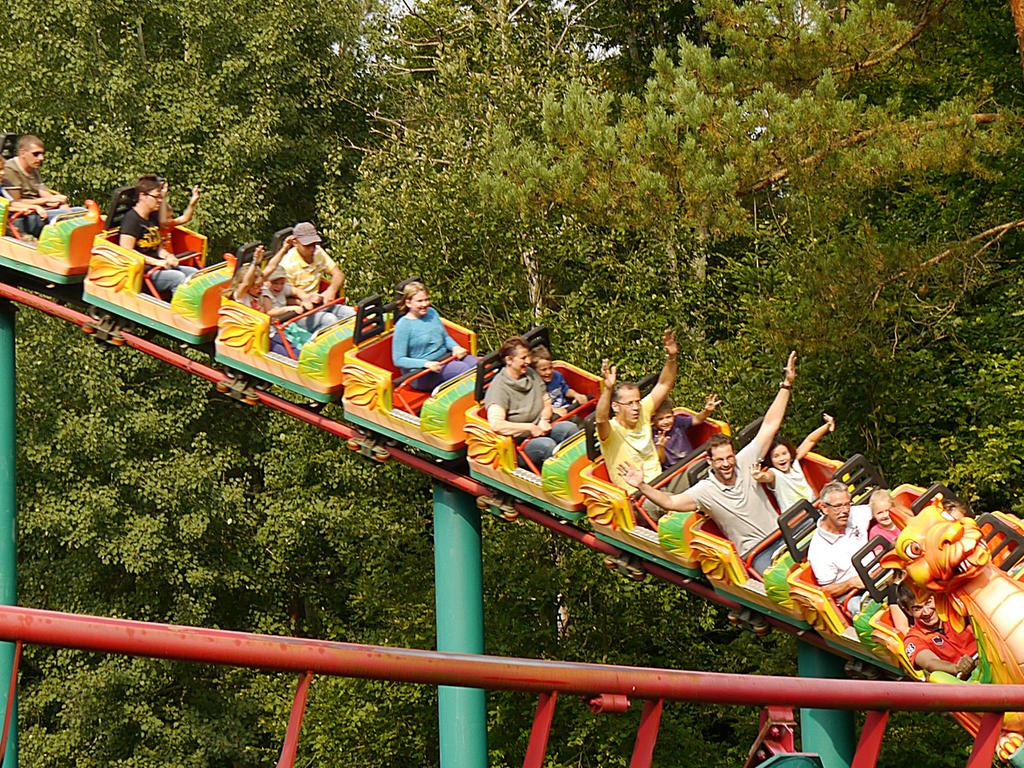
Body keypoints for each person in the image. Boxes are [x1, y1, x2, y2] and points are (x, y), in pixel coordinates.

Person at [618, 352, 798, 573]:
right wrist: (642, 485)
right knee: (782, 580)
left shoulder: (745, 461)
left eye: (729, 457)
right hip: (757, 553)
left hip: (782, 535)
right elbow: (670, 502)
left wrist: (786, 385)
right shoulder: (705, 491)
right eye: (720, 460)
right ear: (710, 462)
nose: (726, 464)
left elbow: (770, 424)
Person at [595, 330, 679, 492]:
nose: (635, 408)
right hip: (639, 495)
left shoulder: (643, 411)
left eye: (637, 402)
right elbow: (600, 419)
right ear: (616, 406)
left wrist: (671, 357)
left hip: (662, 480)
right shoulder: (610, 431)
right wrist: (608, 389)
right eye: (629, 404)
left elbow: (664, 384)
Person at [484, 336, 581, 470]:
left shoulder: (530, 373)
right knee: (547, 445)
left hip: (542, 426)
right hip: (520, 442)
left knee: (570, 429)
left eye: (528, 356)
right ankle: (561, 476)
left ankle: (579, 467)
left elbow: (546, 400)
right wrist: (529, 428)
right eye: (523, 358)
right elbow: (497, 424)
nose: (528, 361)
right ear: (509, 360)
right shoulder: (499, 388)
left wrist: (544, 419)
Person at [391, 281, 478, 391]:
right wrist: (426, 363)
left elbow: (444, 337)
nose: (424, 304)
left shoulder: (432, 313)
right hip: (423, 373)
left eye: (426, 300)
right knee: (462, 369)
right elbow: (398, 360)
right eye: (420, 301)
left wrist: (455, 347)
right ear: (408, 303)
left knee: (477, 364)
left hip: (445, 358)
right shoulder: (403, 326)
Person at [118, 175, 197, 295]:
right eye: (157, 197)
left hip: (158, 267)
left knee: (193, 273)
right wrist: (156, 262)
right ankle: (177, 307)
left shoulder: (152, 217)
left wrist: (168, 256)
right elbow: (126, 250)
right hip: (142, 272)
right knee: (178, 277)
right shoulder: (131, 219)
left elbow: (157, 247)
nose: (160, 200)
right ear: (143, 196)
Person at [752, 414, 836, 512]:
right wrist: (759, 476)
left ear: (790, 454)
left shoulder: (795, 463)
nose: (781, 459)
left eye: (784, 454)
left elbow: (810, 440)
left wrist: (827, 426)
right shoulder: (775, 473)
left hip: (814, 507)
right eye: (776, 456)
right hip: (797, 516)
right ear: (770, 460)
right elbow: (767, 476)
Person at [280, 222, 354, 330]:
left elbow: (338, 274)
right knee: (330, 320)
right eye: (307, 245)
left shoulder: (318, 252)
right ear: (295, 242)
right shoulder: (287, 264)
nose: (312, 249)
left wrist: (331, 291)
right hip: (298, 312)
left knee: (352, 313)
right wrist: (305, 301)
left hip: (320, 303)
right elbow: (283, 299)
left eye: (314, 244)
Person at [806, 481, 872, 599]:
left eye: (847, 504)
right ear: (824, 508)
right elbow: (826, 590)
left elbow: (882, 507)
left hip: (880, 572)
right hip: (855, 593)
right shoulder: (819, 550)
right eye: (838, 506)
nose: (845, 510)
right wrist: (850, 583)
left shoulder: (854, 514)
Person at [896, 584, 977, 678]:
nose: (927, 612)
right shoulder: (913, 639)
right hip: (966, 680)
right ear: (907, 611)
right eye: (917, 609)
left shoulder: (957, 609)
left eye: (928, 602)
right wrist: (956, 668)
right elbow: (930, 662)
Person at [2, 135, 68, 238]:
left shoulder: (32, 167)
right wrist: (43, 202)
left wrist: (58, 200)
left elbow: (42, 191)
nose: (41, 158)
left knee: (78, 212)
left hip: (39, 211)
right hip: (23, 217)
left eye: (42, 154)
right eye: (36, 154)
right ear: (23, 153)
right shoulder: (10, 169)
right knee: (64, 219)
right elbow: (16, 202)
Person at [652, 394, 721, 469]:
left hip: (691, 460)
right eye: (660, 419)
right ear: (653, 421)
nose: (666, 422)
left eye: (668, 417)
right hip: (673, 468)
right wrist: (661, 446)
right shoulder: (653, 434)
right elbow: (661, 461)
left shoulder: (677, 422)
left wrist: (707, 411)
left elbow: (697, 419)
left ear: (673, 415)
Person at [531, 345, 588, 418]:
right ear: (534, 371)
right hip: (552, 415)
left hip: (566, 408)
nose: (549, 372)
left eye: (550, 368)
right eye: (544, 370)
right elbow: (536, 406)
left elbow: (565, 390)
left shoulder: (556, 376)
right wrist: (554, 410)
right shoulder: (534, 385)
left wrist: (576, 395)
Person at [0, 162, 48, 236]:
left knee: (35, 219)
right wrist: (18, 209)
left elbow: (12, 203)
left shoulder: (1, 189)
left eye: (3, 169)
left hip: (7, 222)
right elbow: (4, 208)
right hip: (5, 224)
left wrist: (35, 207)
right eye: (0, 170)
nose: (3, 173)